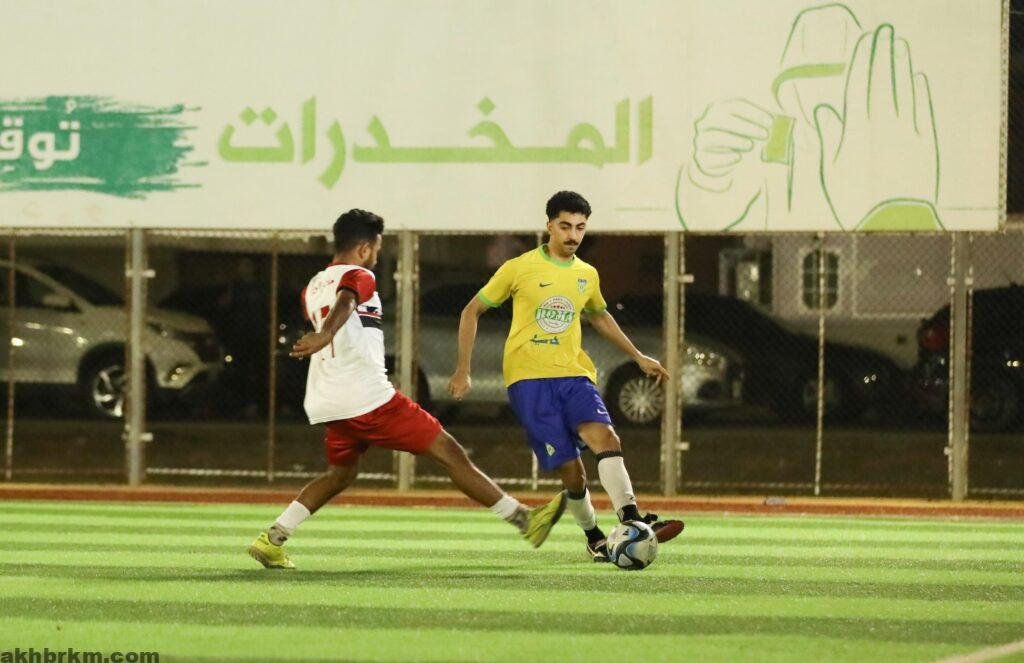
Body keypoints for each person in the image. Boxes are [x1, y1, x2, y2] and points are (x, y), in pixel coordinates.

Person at [249, 209, 566, 569]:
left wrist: (326, 332)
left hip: (329, 400)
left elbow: (340, 312)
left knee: (340, 475)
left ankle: (273, 537)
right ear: (365, 248)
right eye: (377, 248)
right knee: (450, 451)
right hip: (367, 399)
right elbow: (348, 298)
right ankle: (524, 520)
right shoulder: (359, 274)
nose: (377, 255)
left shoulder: (313, 285)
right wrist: (326, 334)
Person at [447, 191, 684, 562]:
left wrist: (637, 356)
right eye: (565, 226)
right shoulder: (518, 268)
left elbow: (599, 315)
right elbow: (471, 311)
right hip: (528, 382)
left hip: (575, 375)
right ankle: (594, 537)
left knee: (606, 436)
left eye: (580, 227)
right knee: (572, 473)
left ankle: (631, 518)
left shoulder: (586, 274)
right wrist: (463, 369)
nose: (573, 235)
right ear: (549, 226)